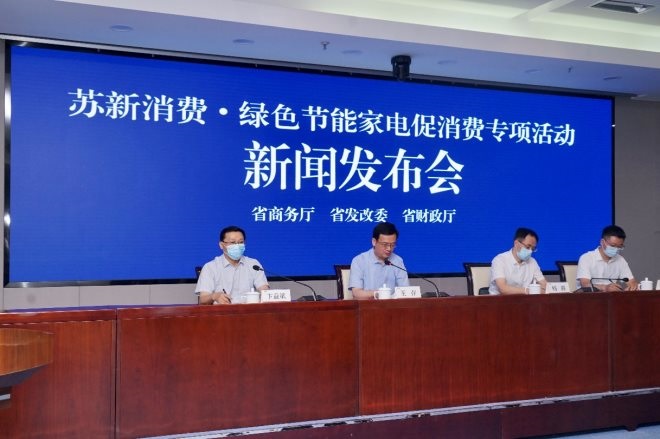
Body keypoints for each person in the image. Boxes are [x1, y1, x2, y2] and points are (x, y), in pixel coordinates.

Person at [195, 225, 269, 305]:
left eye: (241, 242)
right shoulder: (210, 267)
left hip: (248, 311)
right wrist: (215, 296)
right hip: (221, 311)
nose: (237, 246)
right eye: (233, 242)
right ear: (221, 245)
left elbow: (265, 291)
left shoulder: (253, 265)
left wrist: (268, 294)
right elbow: (203, 299)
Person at [349, 222, 409, 300]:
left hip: (393, 306)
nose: (389, 249)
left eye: (392, 245)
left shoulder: (398, 261)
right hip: (368, 306)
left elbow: (405, 291)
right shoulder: (359, 261)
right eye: (385, 244)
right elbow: (357, 293)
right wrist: (379, 294)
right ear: (374, 242)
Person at [576, 225, 638, 291]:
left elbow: (631, 281)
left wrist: (632, 287)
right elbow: (585, 284)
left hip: (612, 296)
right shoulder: (586, 258)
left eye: (619, 247)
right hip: (589, 296)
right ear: (602, 242)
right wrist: (605, 287)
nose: (616, 249)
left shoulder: (620, 260)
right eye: (613, 245)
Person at [489, 227, 547, 295]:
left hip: (524, 300)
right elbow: (503, 289)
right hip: (499, 300)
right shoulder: (499, 260)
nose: (530, 251)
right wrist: (528, 291)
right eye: (528, 247)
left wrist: (548, 289)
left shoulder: (532, 262)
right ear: (516, 243)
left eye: (533, 249)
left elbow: (545, 285)